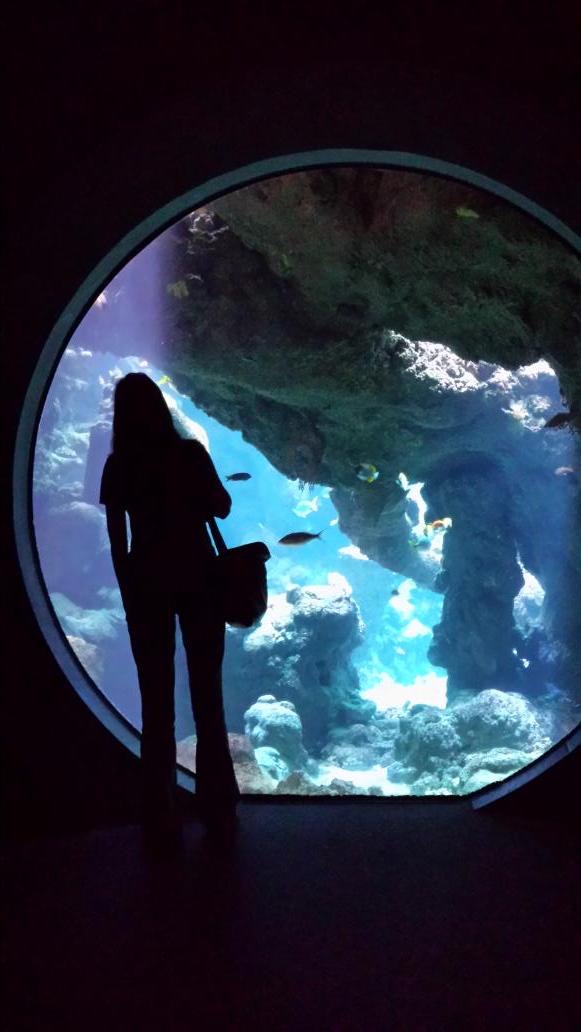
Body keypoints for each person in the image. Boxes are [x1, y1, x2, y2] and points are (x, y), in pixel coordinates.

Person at [99, 372, 240, 844]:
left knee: (155, 704)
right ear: (163, 409)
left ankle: (158, 811)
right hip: (199, 578)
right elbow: (222, 507)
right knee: (208, 697)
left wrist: (128, 593)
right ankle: (218, 806)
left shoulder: (119, 464)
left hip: (146, 586)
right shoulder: (189, 454)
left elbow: (118, 542)